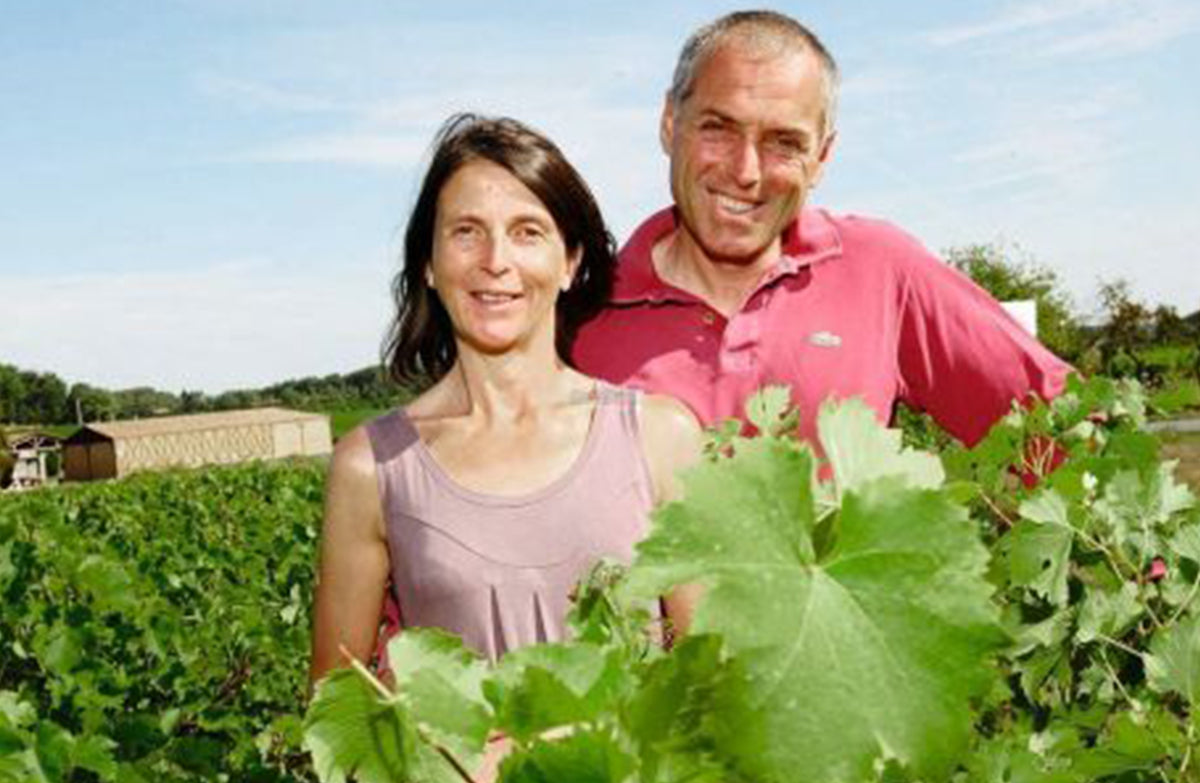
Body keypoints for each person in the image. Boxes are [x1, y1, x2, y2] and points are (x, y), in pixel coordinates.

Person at [309, 114, 701, 683]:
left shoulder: (661, 438)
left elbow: (709, 689)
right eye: (466, 231)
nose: (496, 260)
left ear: (570, 262)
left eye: (527, 232)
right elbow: (334, 709)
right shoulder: (370, 467)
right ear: (428, 263)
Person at [573, 10, 1071, 447]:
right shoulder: (578, 311)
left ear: (822, 157)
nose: (746, 171)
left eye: (783, 142)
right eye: (718, 128)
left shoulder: (882, 271)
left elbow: (1067, 431)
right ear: (669, 122)